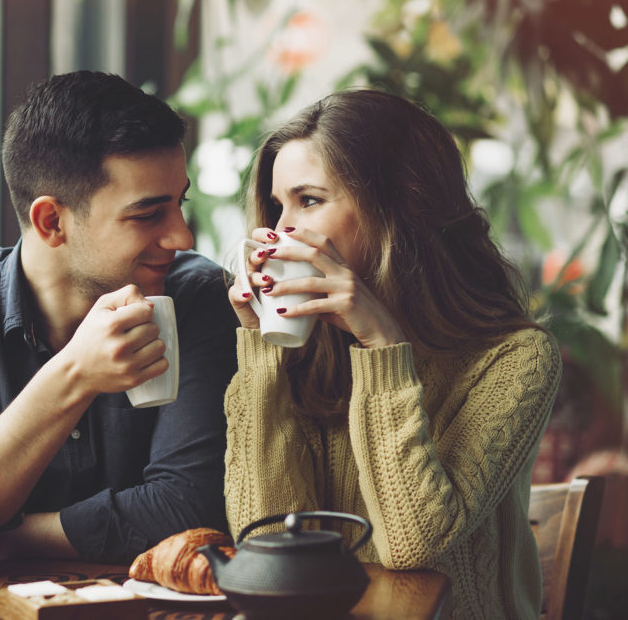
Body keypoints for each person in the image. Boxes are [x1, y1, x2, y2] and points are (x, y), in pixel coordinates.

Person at [225, 89, 559, 619]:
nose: (280, 229)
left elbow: (411, 545)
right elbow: (263, 541)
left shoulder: (517, 358)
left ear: (396, 210)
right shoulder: (310, 351)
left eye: (308, 200)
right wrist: (263, 353)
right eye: (276, 205)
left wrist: (381, 346)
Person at [0, 71, 238, 563]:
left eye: (179, 204)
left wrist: (0, 537)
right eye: (147, 214)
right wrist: (75, 374)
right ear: (51, 221)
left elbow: (189, 509)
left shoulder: (199, 299)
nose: (183, 238)